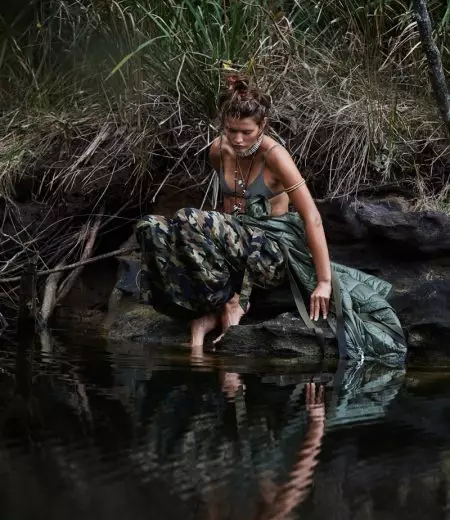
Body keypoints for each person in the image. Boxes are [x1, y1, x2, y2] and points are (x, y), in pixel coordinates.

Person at [136, 75, 406, 364]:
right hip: (235, 244)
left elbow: (312, 218)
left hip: (270, 250)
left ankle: (230, 303)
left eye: (246, 132)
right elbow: (226, 209)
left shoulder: (276, 156)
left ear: (262, 127)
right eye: (231, 131)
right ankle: (205, 310)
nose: (238, 139)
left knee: (187, 218)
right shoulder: (218, 150)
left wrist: (324, 282)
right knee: (150, 228)